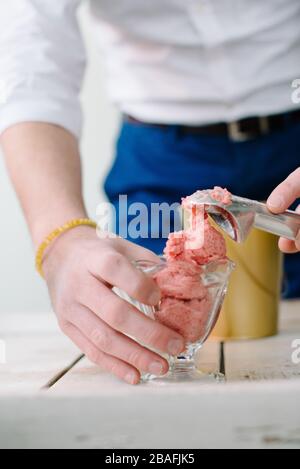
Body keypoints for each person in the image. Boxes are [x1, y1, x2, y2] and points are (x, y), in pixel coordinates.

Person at [0, 1, 299, 384]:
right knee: (149, 338)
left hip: (293, 145)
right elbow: (30, 62)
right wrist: (59, 238)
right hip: (160, 156)